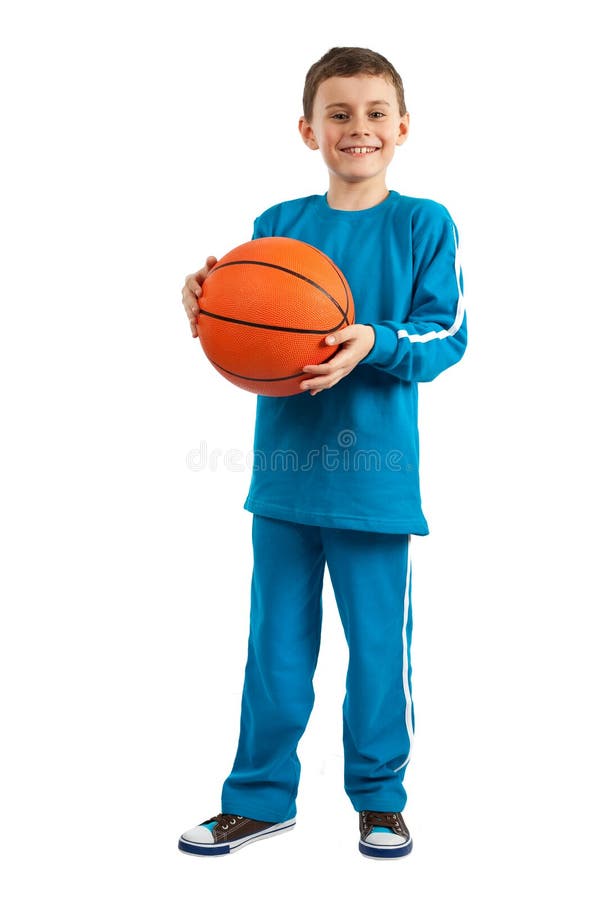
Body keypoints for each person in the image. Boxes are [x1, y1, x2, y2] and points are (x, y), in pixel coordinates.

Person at [179, 46, 467, 859]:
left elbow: (447, 334)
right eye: (338, 114)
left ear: (402, 127)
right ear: (308, 130)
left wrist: (372, 339)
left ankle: (380, 799)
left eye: (375, 113)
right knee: (273, 649)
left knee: (378, 654)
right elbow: (248, 330)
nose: (358, 128)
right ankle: (259, 798)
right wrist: (206, 306)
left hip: (375, 484)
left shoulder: (424, 224)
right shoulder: (276, 227)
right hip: (284, 481)